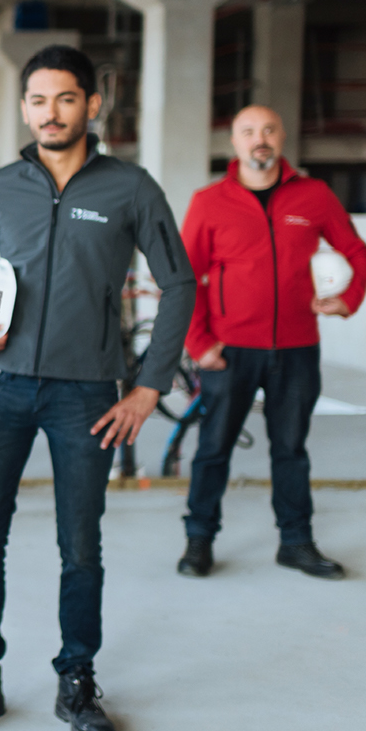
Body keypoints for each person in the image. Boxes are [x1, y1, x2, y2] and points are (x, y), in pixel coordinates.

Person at [0, 45, 194, 731]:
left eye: (65, 99)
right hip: (4, 388)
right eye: (38, 100)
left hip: (88, 395)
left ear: (91, 105)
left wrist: (149, 387)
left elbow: (181, 282)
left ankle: (78, 678)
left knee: (81, 544)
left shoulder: (130, 188)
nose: (51, 112)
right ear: (24, 108)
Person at [177, 104, 366, 581]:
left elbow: (356, 252)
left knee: (291, 450)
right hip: (229, 351)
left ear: (282, 137)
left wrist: (350, 298)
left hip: (297, 349)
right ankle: (199, 541)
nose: (259, 139)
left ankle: (296, 543)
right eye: (248, 131)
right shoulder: (209, 202)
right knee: (213, 449)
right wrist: (199, 342)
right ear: (233, 142)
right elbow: (183, 278)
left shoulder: (314, 195)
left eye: (268, 130)